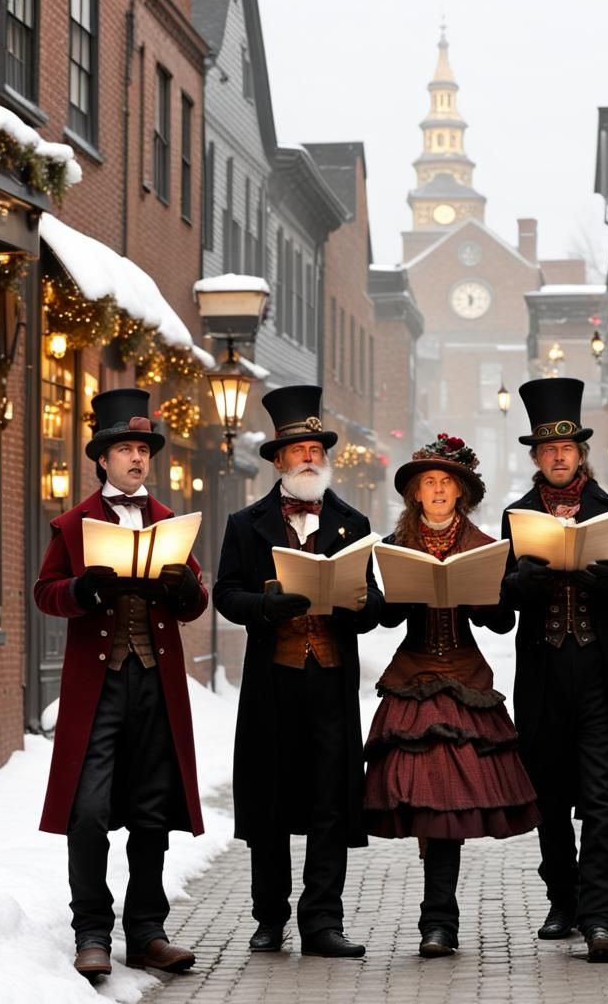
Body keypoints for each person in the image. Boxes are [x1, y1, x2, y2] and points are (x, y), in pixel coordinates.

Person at [34, 388, 208, 981]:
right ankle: (91, 931)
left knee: (152, 813)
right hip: (99, 687)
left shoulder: (169, 523)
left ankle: (147, 932)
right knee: (87, 812)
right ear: (102, 459)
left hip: (155, 684)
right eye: (125, 449)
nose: (137, 458)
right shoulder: (74, 522)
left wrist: (181, 587)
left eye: (143, 449)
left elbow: (197, 600)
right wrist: (84, 590)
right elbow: (46, 593)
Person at [213, 385, 382, 959]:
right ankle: (270, 917)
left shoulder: (352, 521)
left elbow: (375, 602)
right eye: (297, 449)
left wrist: (358, 604)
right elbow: (226, 595)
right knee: (270, 800)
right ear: (279, 460)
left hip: (331, 681)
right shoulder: (246, 523)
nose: (308, 457)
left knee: (331, 801)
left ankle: (323, 921)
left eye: (316, 448)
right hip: (273, 681)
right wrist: (265, 608)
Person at [363, 433, 540, 958]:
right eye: (428, 483)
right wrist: (396, 591)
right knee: (424, 800)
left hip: (464, 678)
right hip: (414, 677)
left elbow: (503, 622)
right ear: (415, 494)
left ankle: (439, 920)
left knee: (449, 804)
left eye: (446, 483)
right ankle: (436, 919)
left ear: (460, 493)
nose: (437, 491)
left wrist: (480, 592)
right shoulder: (395, 546)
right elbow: (387, 618)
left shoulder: (486, 546)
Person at [500, 378, 608, 962]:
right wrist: (521, 583)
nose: (558, 457)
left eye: (567, 449)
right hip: (541, 678)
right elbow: (494, 605)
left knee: (601, 800)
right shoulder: (517, 516)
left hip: (597, 679)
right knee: (549, 797)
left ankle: (599, 919)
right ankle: (561, 900)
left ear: (580, 453)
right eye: (548, 450)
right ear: (537, 457)